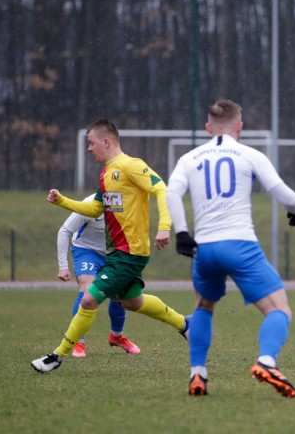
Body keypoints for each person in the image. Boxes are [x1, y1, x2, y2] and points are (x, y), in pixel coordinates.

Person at [167, 99, 295, 397]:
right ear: (239, 127)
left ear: (208, 128)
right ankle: (266, 362)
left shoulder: (189, 158)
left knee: (204, 307)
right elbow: (282, 191)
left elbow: (172, 192)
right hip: (240, 245)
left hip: (204, 249)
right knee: (279, 309)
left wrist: (181, 233)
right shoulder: (249, 154)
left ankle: (198, 374)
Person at [32, 119, 190, 373]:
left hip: (129, 253)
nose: (89, 148)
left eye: (91, 143)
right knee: (132, 303)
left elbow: (161, 189)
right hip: (117, 252)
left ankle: (56, 356)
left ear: (106, 141)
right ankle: (185, 324)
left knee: (88, 301)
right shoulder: (106, 174)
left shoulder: (131, 165)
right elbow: (95, 208)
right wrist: (63, 201)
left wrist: (165, 226)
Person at [57, 195, 140, 357]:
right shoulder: (89, 205)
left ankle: (116, 337)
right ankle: (77, 342)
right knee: (88, 289)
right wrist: (63, 267)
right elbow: (64, 230)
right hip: (86, 250)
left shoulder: (130, 204)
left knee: (119, 294)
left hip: (113, 254)